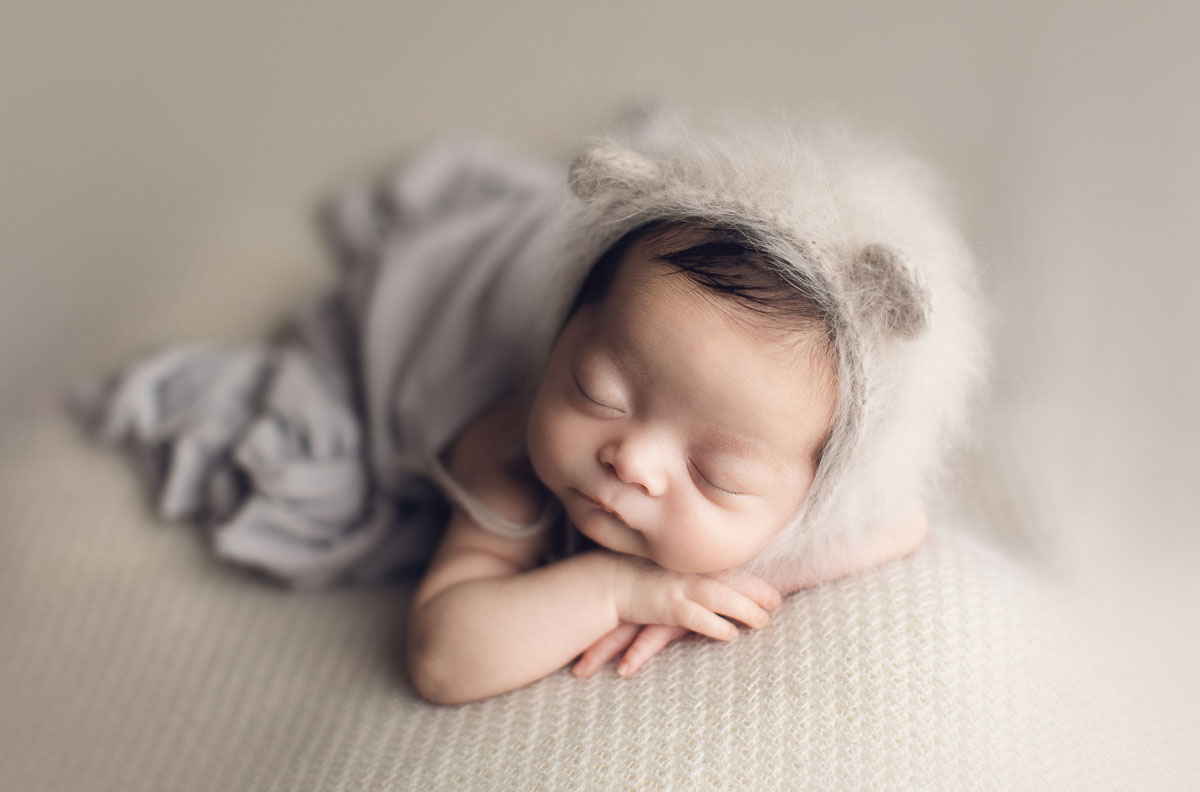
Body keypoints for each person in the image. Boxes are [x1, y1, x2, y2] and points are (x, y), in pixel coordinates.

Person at [406, 118, 983, 704]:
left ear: (812, 503)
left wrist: (741, 578)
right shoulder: (512, 463)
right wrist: (616, 590)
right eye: (596, 393)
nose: (632, 462)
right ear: (561, 341)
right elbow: (443, 660)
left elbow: (900, 521)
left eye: (717, 475)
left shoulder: (817, 496)